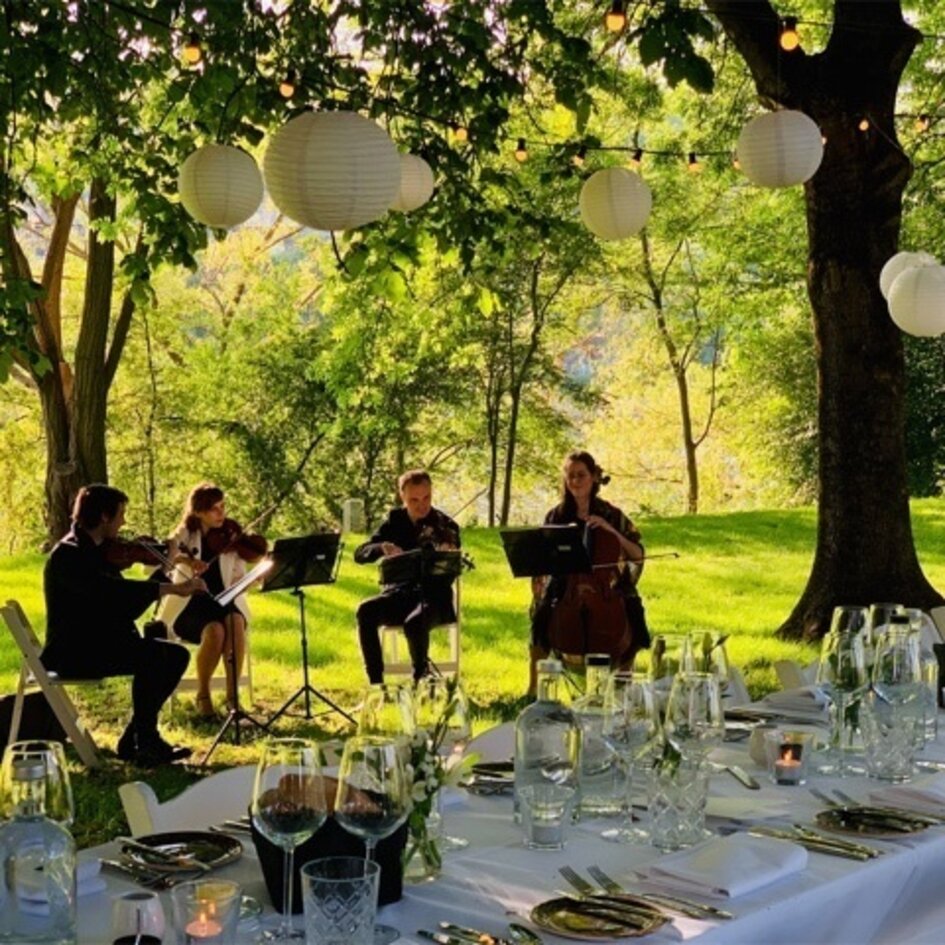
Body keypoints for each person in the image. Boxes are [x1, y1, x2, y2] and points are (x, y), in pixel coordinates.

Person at [42, 484, 206, 765]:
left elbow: (124, 605)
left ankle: (137, 738)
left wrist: (163, 569)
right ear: (104, 517)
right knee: (154, 656)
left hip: (98, 642)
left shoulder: (94, 550)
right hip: (74, 651)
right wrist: (169, 588)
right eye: (120, 515)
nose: (124, 522)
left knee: (176, 655)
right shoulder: (69, 556)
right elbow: (113, 596)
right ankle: (145, 740)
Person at [528, 450, 650, 695]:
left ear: (594, 477)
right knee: (539, 611)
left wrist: (611, 532)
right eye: (570, 476)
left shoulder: (612, 515)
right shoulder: (556, 515)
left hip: (606, 587)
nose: (575, 481)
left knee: (632, 607)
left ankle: (623, 682)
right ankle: (534, 688)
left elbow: (637, 554)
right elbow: (543, 558)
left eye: (581, 475)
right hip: (567, 586)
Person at [157, 483, 267, 719]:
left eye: (222, 507)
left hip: (224, 601)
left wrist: (255, 578)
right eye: (214, 509)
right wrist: (187, 561)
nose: (221, 513)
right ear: (198, 512)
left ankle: (232, 698)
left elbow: (237, 578)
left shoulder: (230, 536)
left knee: (236, 622)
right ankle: (203, 695)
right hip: (191, 604)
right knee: (215, 631)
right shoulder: (186, 531)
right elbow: (166, 554)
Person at [354, 469, 461, 684]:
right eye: (414, 500)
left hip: (434, 599)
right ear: (402, 496)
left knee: (415, 622)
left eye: (427, 498)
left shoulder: (445, 525)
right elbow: (360, 553)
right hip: (398, 595)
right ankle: (376, 683)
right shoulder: (393, 522)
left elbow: (452, 569)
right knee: (365, 611)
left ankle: (420, 677)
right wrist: (381, 547)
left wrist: (447, 553)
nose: (422, 505)